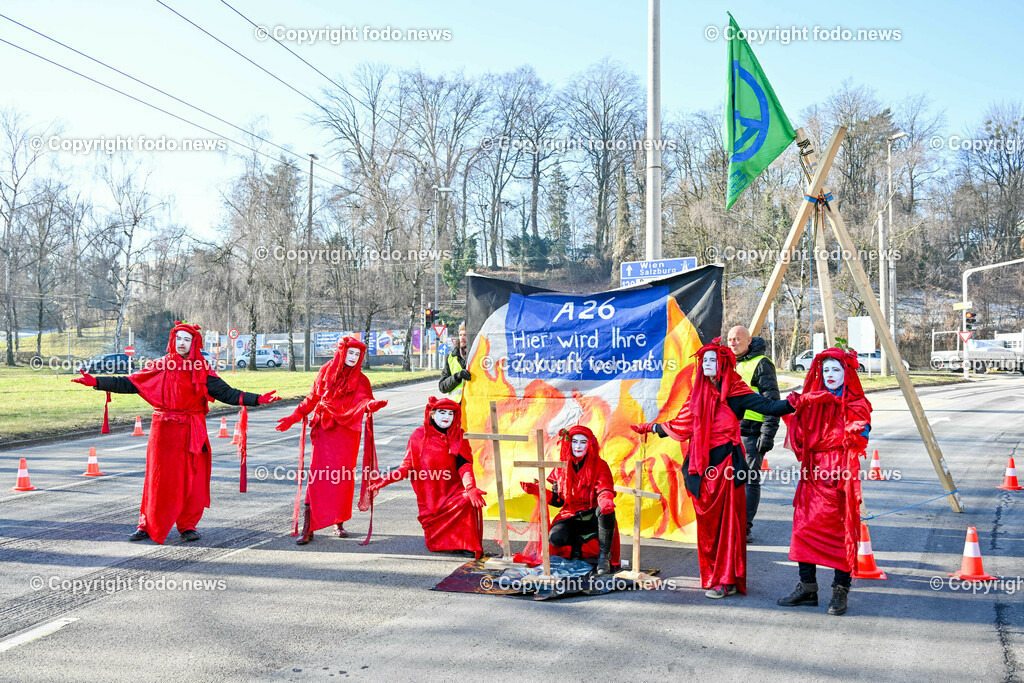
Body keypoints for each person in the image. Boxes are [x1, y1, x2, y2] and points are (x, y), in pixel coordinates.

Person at [71, 322, 281, 544]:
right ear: (173, 340)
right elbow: (131, 383)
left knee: (192, 479)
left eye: (187, 340)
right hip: (164, 432)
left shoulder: (202, 370)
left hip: (192, 430)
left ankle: (187, 525)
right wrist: (97, 381)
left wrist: (257, 399)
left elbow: (226, 393)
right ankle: (147, 525)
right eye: (178, 339)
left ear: (194, 344)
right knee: (158, 479)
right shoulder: (160, 365)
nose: (182, 343)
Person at [632, 338, 797, 599]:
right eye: (704, 360)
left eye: (712, 360)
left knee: (726, 526)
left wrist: (794, 402)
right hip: (699, 467)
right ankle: (712, 576)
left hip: (725, 467)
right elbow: (682, 422)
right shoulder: (697, 392)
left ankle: (726, 580)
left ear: (722, 363)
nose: (707, 364)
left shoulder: (735, 391)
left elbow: (767, 406)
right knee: (708, 527)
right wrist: (650, 428)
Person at [777, 348, 871, 616]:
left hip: (840, 474)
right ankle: (808, 588)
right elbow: (799, 438)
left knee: (841, 534)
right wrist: (795, 409)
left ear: (847, 373)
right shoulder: (813, 400)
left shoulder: (855, 402)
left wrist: (857, 430)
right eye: (826, 370)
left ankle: (840, 590)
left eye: (836, 370)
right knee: (803, 529)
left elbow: (863, 427)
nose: (830, 375)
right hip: (812, 474)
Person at [275, 336, 387, 545]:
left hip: (348, 434)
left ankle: (338, 520)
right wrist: (293, 417)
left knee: (342, 479)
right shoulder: (326, 370)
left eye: (357, 354)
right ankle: (309, 527)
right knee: (317, 479)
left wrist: (372, 405)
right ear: (341, 352)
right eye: (350, 352)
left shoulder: (362, 380)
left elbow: (365, 401)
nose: (353, 357)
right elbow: (312, 399)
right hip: (325, 430)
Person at [368, 397, 486, 558]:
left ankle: (464, 544)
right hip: (430, 494)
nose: (447, 417)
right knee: (434, 539)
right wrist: (388, 478)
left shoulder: (458, 435)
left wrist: (470, 487)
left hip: (453, 489)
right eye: (442, 412)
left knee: (467, 500)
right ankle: (443, 542)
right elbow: (406, 466)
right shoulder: (418, 436)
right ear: (432, 414)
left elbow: (464, 465)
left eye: (451, 414)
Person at [521, 425, 620, 575]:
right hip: (570, 515)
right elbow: (559, 501)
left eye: (583, 442)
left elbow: (604, 487)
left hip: (593, 515)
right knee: (555, 537)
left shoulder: (600, 465)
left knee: (606, 510)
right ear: (568, 443)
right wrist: (540, 491)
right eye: (575, 441)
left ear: (590, 444)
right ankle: (576, 547)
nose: (578, 446)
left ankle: (604, 556)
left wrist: (606, 498)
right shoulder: (561, 467)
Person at [726, 325, 781, 543]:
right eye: (730, 339)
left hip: (752, 431)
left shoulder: (761, 364)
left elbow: (772, 401)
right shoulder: (728, 363)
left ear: (749, 341)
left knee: (748, 479)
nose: (733, 342)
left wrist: (767, 434)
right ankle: (730, 523)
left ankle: (744, 526)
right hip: (728, 431)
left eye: (737, 339)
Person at [438, 321, 471, 402]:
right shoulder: (451, 357)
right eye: (460, 335)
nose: (462, 337)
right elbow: (442, 387)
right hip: (457, 407)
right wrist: (457, 376)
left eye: (465, 335)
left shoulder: (480, 356)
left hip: (475, 407)